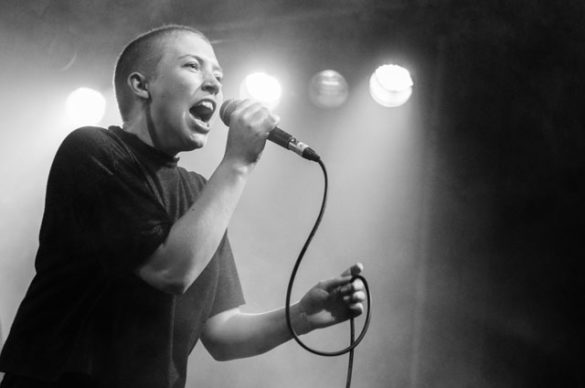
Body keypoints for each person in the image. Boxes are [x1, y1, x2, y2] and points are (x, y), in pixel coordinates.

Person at [0, 25, 365, 388]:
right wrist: (238, 163)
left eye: (218, 76)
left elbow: (221, 333)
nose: (214, 85)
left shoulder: (200, 192)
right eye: (193, 66)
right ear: (142, 85)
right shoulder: (92, 150)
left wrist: (300, 315)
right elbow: (170, 271)